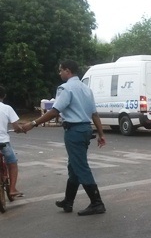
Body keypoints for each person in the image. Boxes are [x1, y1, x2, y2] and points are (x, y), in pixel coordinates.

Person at [22, 60, 107, 216]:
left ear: (68, 71)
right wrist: (101, 134)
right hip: (86, 129)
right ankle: (68, 201)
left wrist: (33, 123)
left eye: (60, 70)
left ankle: (97, 202)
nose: (59, 73)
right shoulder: (87, 89)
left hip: (74, 131)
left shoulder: (66, 88)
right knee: (74, 166)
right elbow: (94, 114)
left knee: (80, 166)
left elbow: (55, 111)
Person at [0, 85, 25, 198]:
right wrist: (19, 130)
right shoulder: (7, 108)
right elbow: (16, 126)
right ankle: (12, 189)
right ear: (4, 96)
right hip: (3, 142)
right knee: (12, 163)